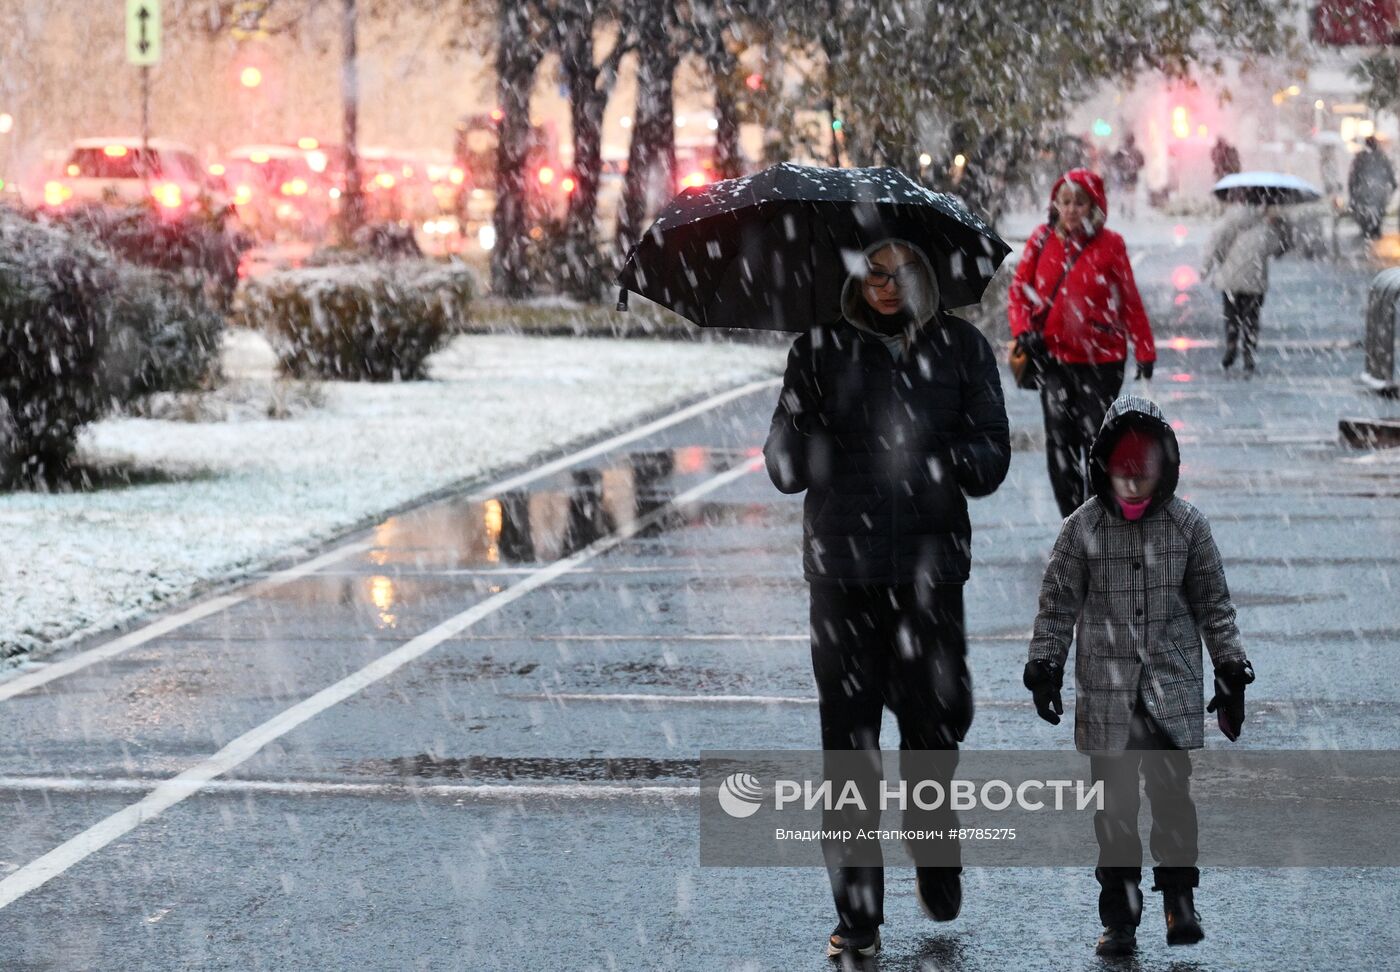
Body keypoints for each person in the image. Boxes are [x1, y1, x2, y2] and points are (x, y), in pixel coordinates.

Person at [764, 238, 1011, 960]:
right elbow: (781, 459)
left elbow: (992, 452)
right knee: (849, 750)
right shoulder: (817, 350)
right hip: (841, 578)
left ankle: (936, 852)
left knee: (934, 733)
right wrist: (810, 444)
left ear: (923, 274)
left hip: (930, 572)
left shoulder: (961, 349)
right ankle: (858, 914)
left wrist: (941, 464)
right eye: (871, 270)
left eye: (897, 270)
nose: (883, 283)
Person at [1022, 395, 1255, 958]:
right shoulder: (1081, 530)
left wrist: (1230, 669)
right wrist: (1045, 665)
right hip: (1107, 692)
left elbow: (1214, 605)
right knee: (1115, 807)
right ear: (1102, 470)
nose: (1132, 487)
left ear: (1164, 471)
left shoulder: (1188, 527)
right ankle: (1120, 917)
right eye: (1122, 475)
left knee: (1172, 795)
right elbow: (1057, 606)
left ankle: (1179, 898)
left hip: (1169, 687)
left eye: (1143, 475)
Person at [1007, 168, 1156, 519]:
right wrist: (1022, 328)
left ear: (1094, 206)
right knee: (1060, 443)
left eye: (1080, 202)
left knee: (1096, 443)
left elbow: (1129, 301)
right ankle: (1072, 522)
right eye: (1065, 202)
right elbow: (1018, 292)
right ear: (1055, 204)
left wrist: (1145, 349)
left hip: (1101, 361)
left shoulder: (1111, 245)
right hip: (1054, 360)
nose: (1071, 209)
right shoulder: (1041, 240)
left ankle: (1097, 517)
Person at [1201, 201, 1288, 375]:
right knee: (1251, 317)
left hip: (1230, 277)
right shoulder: (1264, 228)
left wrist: (1206, 267)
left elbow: (1215, 244)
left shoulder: (1228, 222)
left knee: (1231, 314)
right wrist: (1280, 228)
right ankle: (1249, 351)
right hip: (1254, 280)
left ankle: (1231, 344)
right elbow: (1277, 249)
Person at [1348, 135, 1396, 240]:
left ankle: (1368, 231)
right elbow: (1389, 174)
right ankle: (1374, 230)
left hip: (1364, 195)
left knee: (1367, 215)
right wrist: (1392, 185)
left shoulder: (1360, 158)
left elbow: (1353, 177)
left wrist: (1352, 191)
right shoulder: (1381, 157)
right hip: (1378, 194)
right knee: (1377, 213)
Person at [1108, 135, 1145, 220]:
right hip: (1132, 175)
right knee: (1131, 192)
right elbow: (1142, 163)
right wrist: (1135, 167)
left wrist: (1120, 167)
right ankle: (1130, 208)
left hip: (1124, 174)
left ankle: (1125, 206)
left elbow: (1113, 160)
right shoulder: (1136, 151)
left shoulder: (1122, 151)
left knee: (1125, 191)